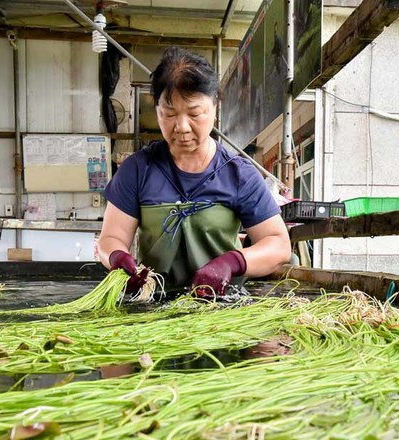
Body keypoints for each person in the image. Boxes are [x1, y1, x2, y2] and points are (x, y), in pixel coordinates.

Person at [98, 47, 291, 297]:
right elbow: (110, 238)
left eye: (194, 113)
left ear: (215, 107)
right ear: (157, 110)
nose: (182, 127)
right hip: (153, 305)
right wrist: (117, 257)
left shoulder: (239, 174)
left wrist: (232, 262)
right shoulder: (137, 169)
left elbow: (278, 244)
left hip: (222, 304)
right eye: (169, 114)